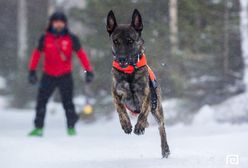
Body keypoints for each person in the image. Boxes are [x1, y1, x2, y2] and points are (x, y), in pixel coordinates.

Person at [28, 11, 94, 136]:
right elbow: (36, 55)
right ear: (52, 23)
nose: (58, 24)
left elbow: (81, 55)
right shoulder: (45, 38)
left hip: (65, 76)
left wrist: (88, 71)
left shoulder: (71, 38)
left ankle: (71, 128)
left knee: (68, 102)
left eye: (61, 22)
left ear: (65, 24)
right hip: (48, 75)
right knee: (41, 102)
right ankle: (38, 128)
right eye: (56, 22)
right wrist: (32, 71)